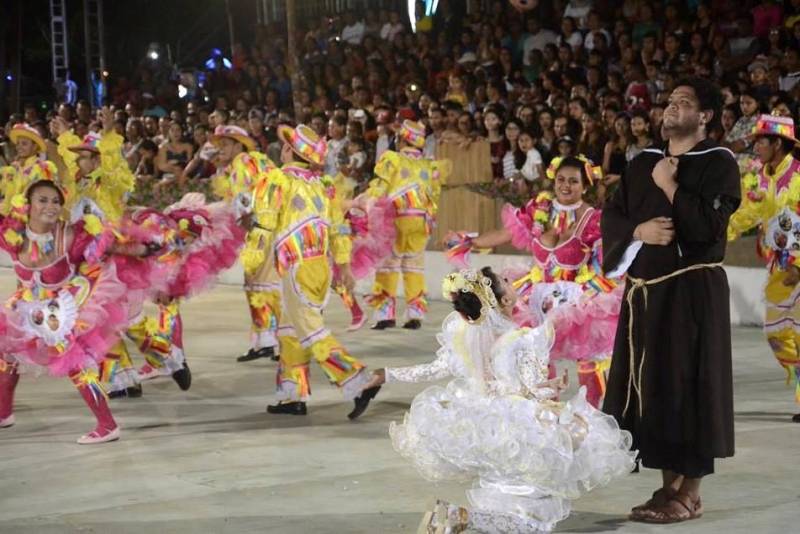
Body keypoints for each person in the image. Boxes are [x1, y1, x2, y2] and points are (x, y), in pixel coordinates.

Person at [368, 267, 635, 534]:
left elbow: (434, 369)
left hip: (483, 425)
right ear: (506, 301)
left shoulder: (465, 336)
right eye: (505, 282)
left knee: (506, 503)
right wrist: (554, 390)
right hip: (519, 431)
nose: (511, 281)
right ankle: (459, 517)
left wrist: (388, 374)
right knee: (536, 520)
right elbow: (530, 391)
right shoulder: (524, 339)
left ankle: (462, 517)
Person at [601, 78, 740, 523]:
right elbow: (614, 215)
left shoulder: (719, 163)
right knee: (657, 389)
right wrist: (637, 233)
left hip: (692, 294)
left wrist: (670, 187)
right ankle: (666, 489)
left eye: (683, 103)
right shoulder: (642, 162)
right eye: (670, 102)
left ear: (705, 117)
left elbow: (707, 229)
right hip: (646, 297)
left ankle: (691, 491)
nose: (670, 109)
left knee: (692, 385)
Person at [445, 156, 620, 408]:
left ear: (585, 185)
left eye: (573, 181)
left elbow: (611, 259)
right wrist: (471, 241)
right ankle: (548, 414)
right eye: (561, 179)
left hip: (578, 300)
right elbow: (506, 234)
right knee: (537, 355)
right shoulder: (539, 209)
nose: (566, 186)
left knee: (587, 361)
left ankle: (593, 415)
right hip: (536, 297)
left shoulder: (594, 219)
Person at [0, 176, 150, 443]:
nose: (51, 206)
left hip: (65, 308)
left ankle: (107, 426)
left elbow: (110, 247)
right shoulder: (13, 235)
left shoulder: (69, 235)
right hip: (28, 305)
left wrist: (144, 248)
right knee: (7, 353)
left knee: (73, 363)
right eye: (43, 200)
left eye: (56, 201)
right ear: (28, 204)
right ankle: (3, 413)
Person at [248, 124, 378, 419]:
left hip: (297, 267)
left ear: (287, 151)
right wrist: (343, 267)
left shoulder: (276, 180)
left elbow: (264, 225)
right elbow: (339, 230)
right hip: (319, 266)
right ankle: (292, 395)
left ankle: (356, 380)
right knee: (290, 330)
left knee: (310, 332)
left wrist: (252, 263)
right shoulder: (324, 186)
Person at [727, 113, 800, 422]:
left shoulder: (798, 178)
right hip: (779, 267)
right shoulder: (758, 177)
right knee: (776, 333)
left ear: (778, 144)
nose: (755, 147)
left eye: (761, 142)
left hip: (796, 265)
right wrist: (717, 234)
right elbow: (747, 212)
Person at [365, 120, 451, 330]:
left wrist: (367, 208)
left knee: (388, 267)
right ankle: (415, 314)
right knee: (414, 268)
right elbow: (434, 196)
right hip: (420, 223)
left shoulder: (392, 159)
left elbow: (380, 187)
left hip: (395, 219)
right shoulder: (429, 166)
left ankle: (386, 315)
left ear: (401, 139)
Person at [211, 125, 280, 363]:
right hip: (267, 225)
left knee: (262, 285)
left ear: (239, 145)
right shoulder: (255, 161)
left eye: (225, 145)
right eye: (219, 146)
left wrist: (250, 223)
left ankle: (277, 340)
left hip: (260, 227)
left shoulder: (242, 164)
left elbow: (244, 201)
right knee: (257, 285)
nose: (220, 149)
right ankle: (266, 341)